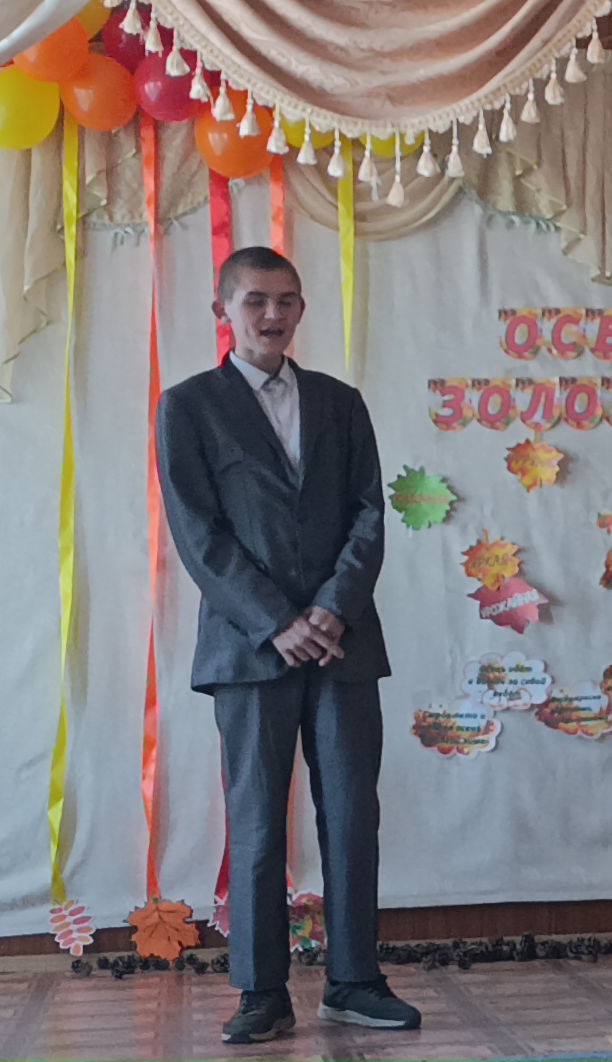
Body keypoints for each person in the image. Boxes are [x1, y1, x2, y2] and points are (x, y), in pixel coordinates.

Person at [157, 246, 421, 1045]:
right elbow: (198, 533)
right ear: (223, 313)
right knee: (258, 821)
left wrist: (333, 609)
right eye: (256, 302)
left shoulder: (341, 402)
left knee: (352, 812)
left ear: (302, 310)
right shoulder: (188, 407)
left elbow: (370, 513)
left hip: (343, 645)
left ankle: (355, 981)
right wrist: (278, 620)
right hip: (249, 648)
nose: (272, 315)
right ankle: (261, 991)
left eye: (286, 301)